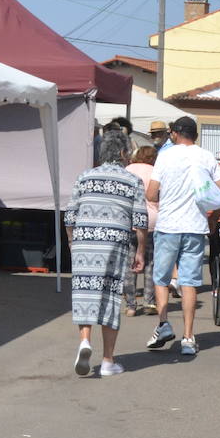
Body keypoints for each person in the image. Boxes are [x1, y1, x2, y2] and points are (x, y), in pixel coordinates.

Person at [64, 130, 147, 377]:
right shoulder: (132, 181)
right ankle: (108, 361)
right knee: (110, 296)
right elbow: (140, 221)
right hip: (114, 242)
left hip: (84, 241)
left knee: (85, 292)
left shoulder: (84, 177)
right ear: (122, 153)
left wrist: (72, 241)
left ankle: (85, 341)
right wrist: (140, 251)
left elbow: (69, 216)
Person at [146, 116, 220, 357]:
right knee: (189, 282)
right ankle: (189, 337)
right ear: (195, 135)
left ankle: (163, 324)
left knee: (161, 279)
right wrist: (211, 213)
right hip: (195, 226)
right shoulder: (206, 156)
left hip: (168, 225)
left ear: (175, 133)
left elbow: (151, 194)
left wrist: (165, 196)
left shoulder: (165, 155)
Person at [124, 145, 159, 316]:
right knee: (150, 262)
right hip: (152, 220)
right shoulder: (156, 172)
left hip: (129, 219)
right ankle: (149, 302)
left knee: (130, 262)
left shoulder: (128, 170)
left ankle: (131, 305)